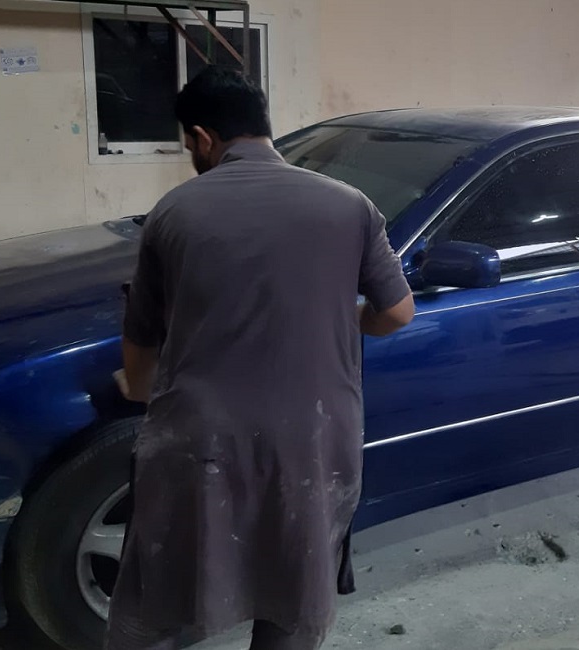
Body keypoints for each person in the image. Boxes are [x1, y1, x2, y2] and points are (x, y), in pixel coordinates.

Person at [106, 66, 415, 650]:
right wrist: (348, 318)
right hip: (312, 442)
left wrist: (140, 387)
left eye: (190, 146)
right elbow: (398, 313)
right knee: (294, 595)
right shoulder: (350, 205)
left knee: (158, 596)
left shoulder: (174, 212)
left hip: (203, 442)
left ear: (202, 138)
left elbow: (142, 339)